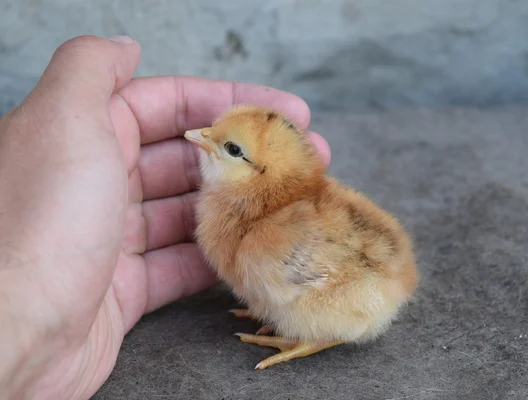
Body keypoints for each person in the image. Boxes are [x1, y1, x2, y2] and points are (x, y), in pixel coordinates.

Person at [0, 35, 331, 399]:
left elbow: (354, 277)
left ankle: (320, 333)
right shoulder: (248, 217)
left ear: (260, 174)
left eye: (230, 148)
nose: (202, 136)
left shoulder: (276, 233)